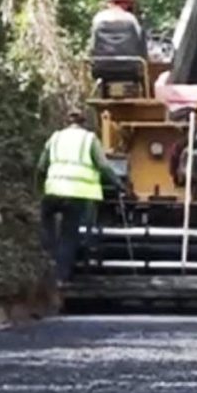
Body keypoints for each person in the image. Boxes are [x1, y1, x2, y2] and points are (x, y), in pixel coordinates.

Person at [38, 107, 125, 301]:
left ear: (66, 122)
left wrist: (41, 185)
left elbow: (41, 166)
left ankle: (46, 258)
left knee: (46, 223)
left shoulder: (55, 138)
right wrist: (119, 185)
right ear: (84, 122)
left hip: (53, 192)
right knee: (69, 236)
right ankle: (61, 277)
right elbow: (103, 166)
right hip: (75, 196)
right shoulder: (89, 139)